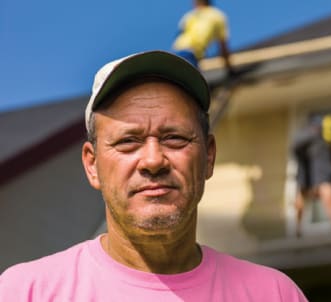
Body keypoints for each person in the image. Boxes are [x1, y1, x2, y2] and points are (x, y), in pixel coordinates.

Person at [0, 50, 308, 301]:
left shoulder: (274, 294)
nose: (152, 160)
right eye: (128, 141)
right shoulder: (25, 292)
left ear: (209, 157)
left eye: (175, 138)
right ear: (92, 165)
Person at [172, 0, 234, 77]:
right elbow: (223, 45)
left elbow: (181, 33)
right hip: (189, 52)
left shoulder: (191, 15)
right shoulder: (217, 15)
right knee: (189, 82)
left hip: (180, 53)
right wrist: (229, 68)